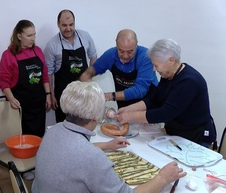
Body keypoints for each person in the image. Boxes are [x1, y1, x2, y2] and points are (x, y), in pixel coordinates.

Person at [32, 80, 186, 193]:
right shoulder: (91, 157)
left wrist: (106, 145)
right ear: (96, 117)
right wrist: (162, 178)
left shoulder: (55, 130)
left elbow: (72, 151)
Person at [116, 39, 216, 146]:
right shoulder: (168, 74)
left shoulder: (189, 81)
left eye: (156, 65)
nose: (154, 69)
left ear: (171, 60)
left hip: (195, 137)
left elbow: (166, 113)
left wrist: (130, 116)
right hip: (176, 134)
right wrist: (128, 109)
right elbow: (154, 100)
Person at [0, 20, 51, 138]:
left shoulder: (38, 51)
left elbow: (45, 75)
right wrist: (11, 99)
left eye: (34, 35)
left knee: (38, 138)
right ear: (19, 36)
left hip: (38, 105)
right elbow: (3, 81)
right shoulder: (8, 55)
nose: (33, 38)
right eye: (29, 35)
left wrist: (48, 94)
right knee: (22, 140)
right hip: (20, 107)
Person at [80, 29, 158, 108]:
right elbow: (94, 69)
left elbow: (141, 89)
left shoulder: (145, 57)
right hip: (124, 103)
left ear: (136, 44)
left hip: (146, 103)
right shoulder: (111, 55)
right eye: (121, 51)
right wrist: (86, 77)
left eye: (130, 52)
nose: (125, 56)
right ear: (116, 44)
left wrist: (109, 96)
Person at [44, 9, 97, 123]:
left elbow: (93, 56)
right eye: (64, 25)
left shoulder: (85, 37)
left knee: (83, 124)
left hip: (83, 93)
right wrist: (51, 95)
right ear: (58, 25)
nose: (68, 29)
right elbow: (48, 73)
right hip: (63, 95)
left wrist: (90, 78)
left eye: (71, 25)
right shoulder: (52, 45)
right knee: (64, 126)